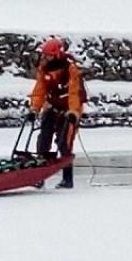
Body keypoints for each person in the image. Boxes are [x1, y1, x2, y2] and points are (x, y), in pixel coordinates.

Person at [26, 37, 86, 188]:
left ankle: (67, 179)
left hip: (69, 109)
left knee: (64, 142)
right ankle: (40, 176)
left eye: (48, 55)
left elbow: (74, 92)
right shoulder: (44, 68)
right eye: (44, 55)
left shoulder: (70, 69)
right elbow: (39, 90)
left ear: (57, 54)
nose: (45, 58)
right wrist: (34, 109)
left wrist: (73, 112)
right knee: (43, 141)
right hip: (52, 106)